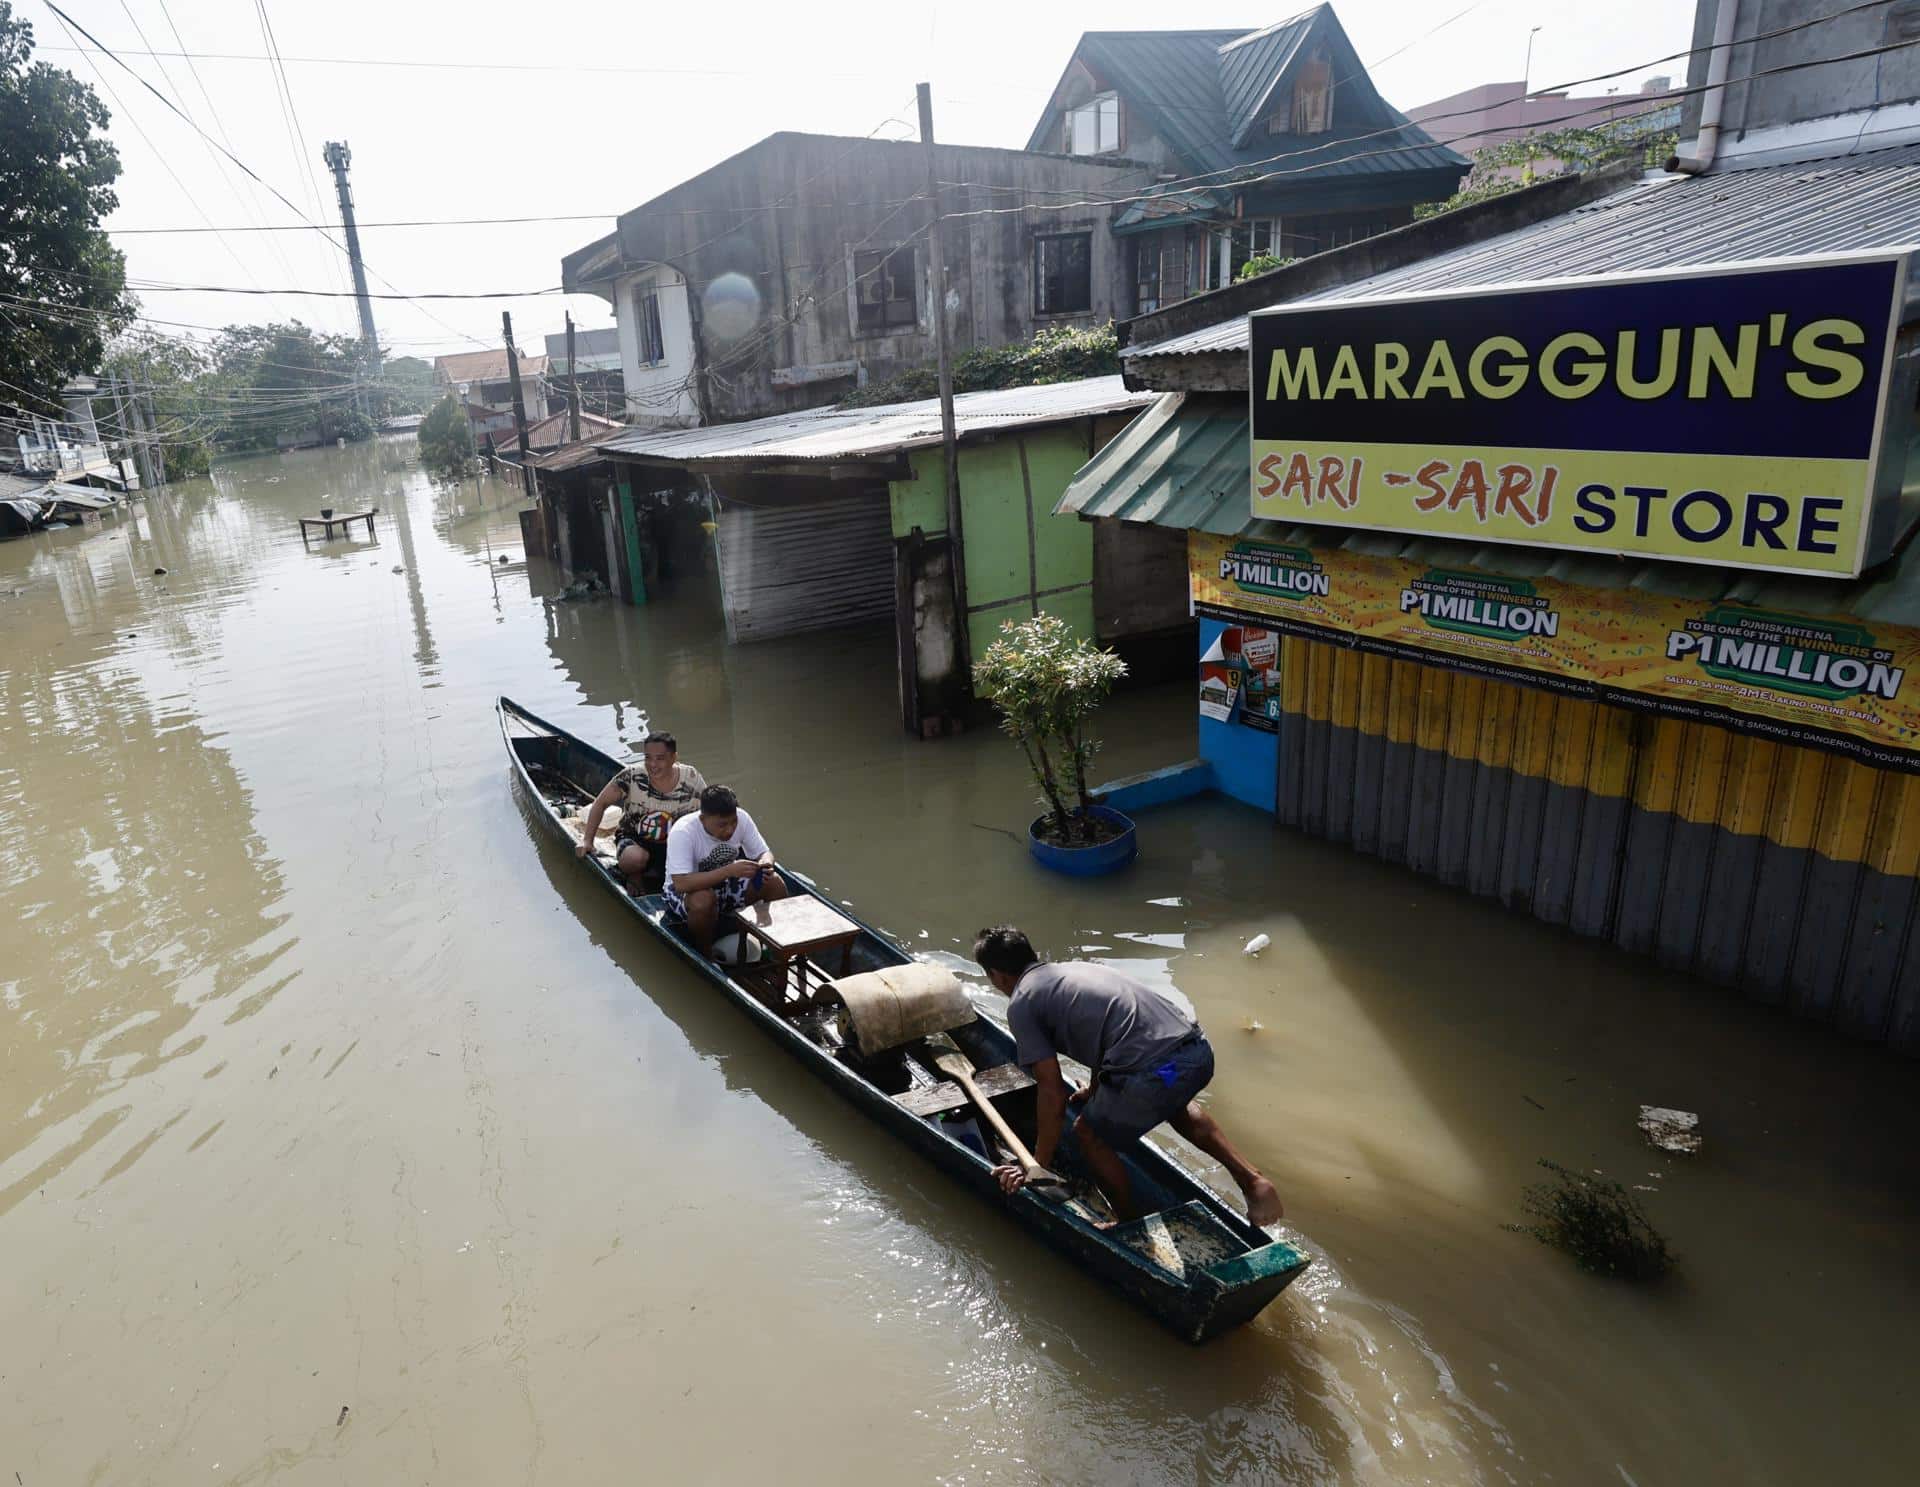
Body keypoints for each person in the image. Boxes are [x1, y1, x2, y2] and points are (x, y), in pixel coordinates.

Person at [972, 926, 1283, 1228]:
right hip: (1191, 1056)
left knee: (1089, 1134)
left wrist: (1037, 1164)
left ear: (996, 975)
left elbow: (1051, 1090)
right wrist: (1096, 1090)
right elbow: (1112, 1028)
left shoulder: (1022, 1002)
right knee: (1174, 1103)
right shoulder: (1076, 970)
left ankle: (1126, 1221)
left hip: (1149, 1074)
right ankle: (1252, 1180)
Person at [664, 784, 788, 955]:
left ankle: (773, 944)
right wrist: (728, 871)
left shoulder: (742, 818)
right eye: (722, 825)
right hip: (689, 892)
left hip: (727, 884)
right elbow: (681, 884)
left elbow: (764, 852)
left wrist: (765, 863)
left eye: (733, 822)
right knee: (702, 901)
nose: (730, 830)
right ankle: (705, 952)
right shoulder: (683, 831)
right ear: (703, 819)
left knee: (775, 883)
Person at [576, 731, 706, 887]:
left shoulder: (691, 777)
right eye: (648, 758)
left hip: (676, 843)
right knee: (634, 858)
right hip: (635, 839)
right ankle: (635, 876)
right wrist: (587, 841)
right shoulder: (632, 775)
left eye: (660, 758)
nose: (652, 765)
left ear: (673, 758)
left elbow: (710, 810)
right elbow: (600, 803)